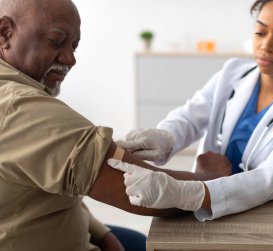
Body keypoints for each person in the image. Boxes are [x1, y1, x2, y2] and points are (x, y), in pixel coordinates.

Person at [0, 0, 230, 250]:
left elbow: (44, 188)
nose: (70, 58)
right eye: (56, 40)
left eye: (74, 46)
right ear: (5, 33)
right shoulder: (19, 108)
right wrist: (214, 177)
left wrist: (104, 235)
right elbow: (153, 195)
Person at [109, 0, 273, 221]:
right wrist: (165, 137)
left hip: (266, 215)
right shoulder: (232, 73)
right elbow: (191, 116)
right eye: (260, 32)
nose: (266, 46)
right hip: (207, 198)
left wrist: (187, 193)